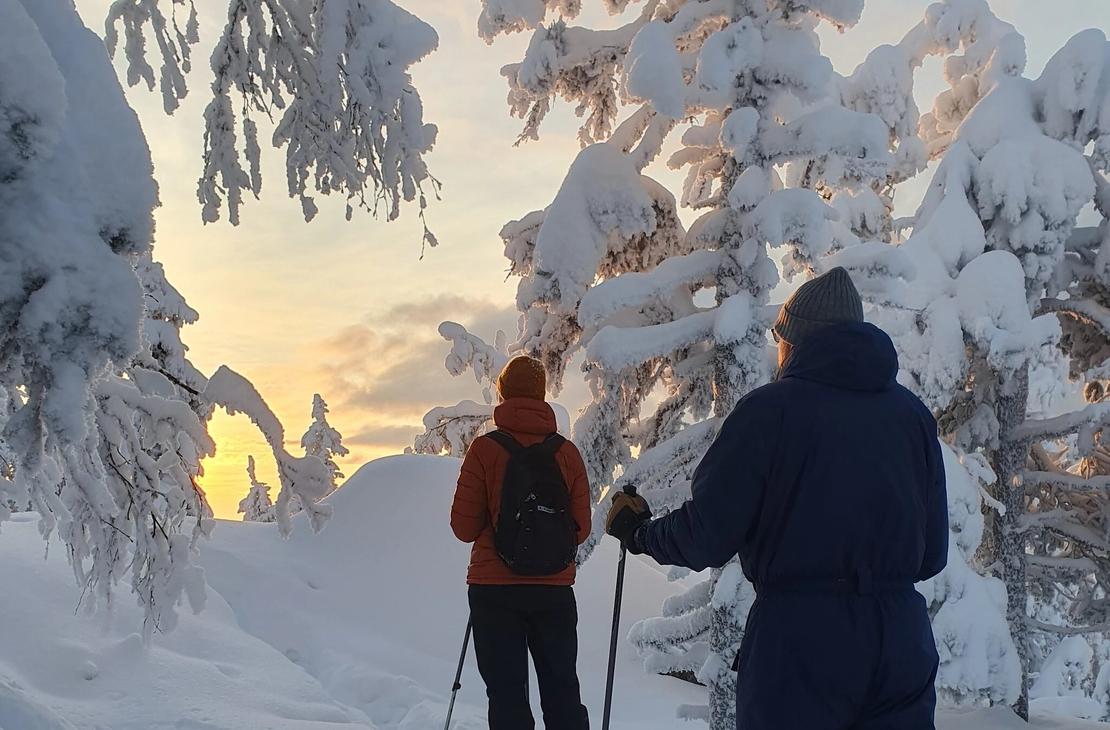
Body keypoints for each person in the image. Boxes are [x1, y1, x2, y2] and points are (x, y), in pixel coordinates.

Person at [605, 267, 948, 729]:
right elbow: (931, 555)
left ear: (798, 341)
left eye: (781, 338)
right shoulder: (913, 418)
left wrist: (642, 533)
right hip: (901, 643)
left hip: (802, 646)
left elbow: (707, 534)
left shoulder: (771, 412)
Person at [451, 355, 592, 730]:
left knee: (507, 695)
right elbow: (580, 528)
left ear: (503, 393)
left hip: (494, 591)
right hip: (553, 590)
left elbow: (463, 528)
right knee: (562, 691)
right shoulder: (566, 453)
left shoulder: (484, 450)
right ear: (542, 395)